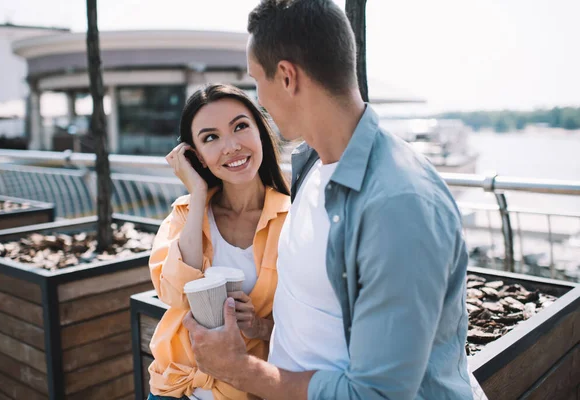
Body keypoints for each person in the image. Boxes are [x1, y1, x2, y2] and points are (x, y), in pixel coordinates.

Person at [183, 1, 474, 399]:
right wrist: (262, 329)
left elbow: (376, 395)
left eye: (256, 81)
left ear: (286, 77)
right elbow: (318, 316)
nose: (259, 100)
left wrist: (238, 369)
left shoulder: (399, 207)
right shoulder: (311, 167)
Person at [147, 83, 291, 400]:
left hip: (243, 391)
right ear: (196, 155)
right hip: (173, 388)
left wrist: (259, 326)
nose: (231, 146)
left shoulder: (293, 218)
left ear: (260, 130)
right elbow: (173, 294)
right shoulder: (185, 214)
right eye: (211, 137)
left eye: (240, 127)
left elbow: (308, 322)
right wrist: (197, 195)